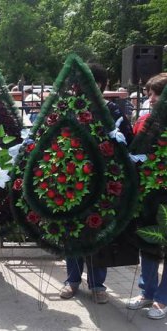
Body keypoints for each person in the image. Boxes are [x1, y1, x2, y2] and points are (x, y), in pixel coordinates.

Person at [60, 63, 134, 304]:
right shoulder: (67, 110)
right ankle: (71, 280)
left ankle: (97, 284)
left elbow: (128, 143)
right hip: (70, 181)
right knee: (72, 232)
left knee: (98, 232)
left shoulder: (112, 111)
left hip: (103, 183)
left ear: (99, 84)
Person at [127, 72, 167, 320]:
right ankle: (148, 292)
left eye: (156, 94)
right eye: (149, 94)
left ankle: (163, 299)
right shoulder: (143, 122)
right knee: (148, 243)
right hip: (147, 195)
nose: (150, 99)